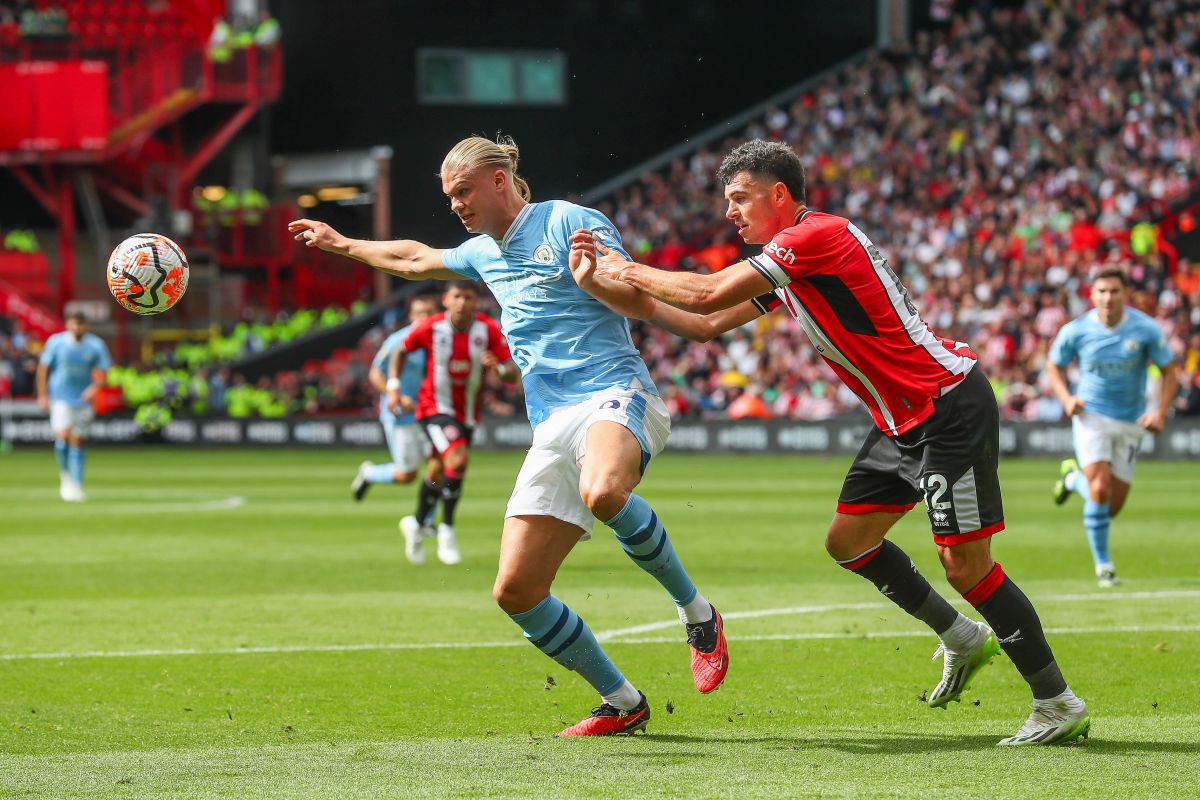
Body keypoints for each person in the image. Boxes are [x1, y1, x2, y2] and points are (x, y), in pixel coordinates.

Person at [579, 138, 1089, 746]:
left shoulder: (814, 236)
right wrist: (595, 285)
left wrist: (620, 266)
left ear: (778, 195)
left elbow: (708, 293)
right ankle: (960, 635)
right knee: (848, 541)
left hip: (947, 406)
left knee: (965, 564)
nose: (729, 212)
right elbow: (705, 326)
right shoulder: (790, 258)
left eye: (739, 198)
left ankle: (1056, 701)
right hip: (900, 419)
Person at [287, 135, 729, 736]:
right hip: (550, 423)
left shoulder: (569, 220)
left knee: (603, 493)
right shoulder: (481, 254)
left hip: (614, 392)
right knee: (516, 592)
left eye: (463, 191)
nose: (456, 206)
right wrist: (342, 243)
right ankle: (623, 702)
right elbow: (415, 259)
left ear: (499, 179)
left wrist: (594, 276)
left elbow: (636, 297)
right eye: (449, 197)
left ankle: (697, 613)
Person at [1046, 266, 1179, 587]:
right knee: (1101, 489)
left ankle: (1072, 479)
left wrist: (1160, 412)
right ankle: (1104, 567)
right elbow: (1053, 365)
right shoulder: (1076, 330)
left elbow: (1169, 370)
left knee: (1110, 506)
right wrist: (1066, 399)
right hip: (1091, 417)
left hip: (1131, 421)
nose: (1108, 297)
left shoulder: (1145, 329)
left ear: (1125, 294)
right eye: (1102, 291)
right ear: (1092, 295)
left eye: (1114, 291)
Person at [387, 281, 517, 566]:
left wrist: (497, 368)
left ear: (475, 302)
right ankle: (446, 528)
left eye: (468, 297)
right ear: (446, 299)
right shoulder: (430, 327)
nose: (461, 302)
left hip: (466, 414)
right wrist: (394, 387)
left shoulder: (489, 331)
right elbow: (400, 351)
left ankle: (417, 522)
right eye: (456, 296)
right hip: (433, 408)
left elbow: (512, 373)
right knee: (457, 460)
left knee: (437, 469)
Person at [351, 293, 439, 514]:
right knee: (407, 475)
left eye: (429, 313)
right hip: (401, 416)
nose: (424, 318)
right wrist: (396, 395)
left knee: (441, 466)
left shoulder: (442, 341)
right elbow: (375, 374)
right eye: (419, 313)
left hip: (431, 414)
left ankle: (426, 521)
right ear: (410, 316)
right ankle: (370, 473)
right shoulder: (397, 342)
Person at [36, 312, 111, 502]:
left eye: (81, 324)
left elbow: (103, 373)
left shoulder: (96, 345)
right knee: (62, 436)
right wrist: (43, 395)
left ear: (86, 326)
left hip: (83, 399)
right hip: (60, 397)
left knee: (78, 441)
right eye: (75, 324)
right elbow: (43, 368)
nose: (78, 328)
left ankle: (77, 484)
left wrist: (94, 388)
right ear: (68, 324)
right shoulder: (56, 342)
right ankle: (65, 478)